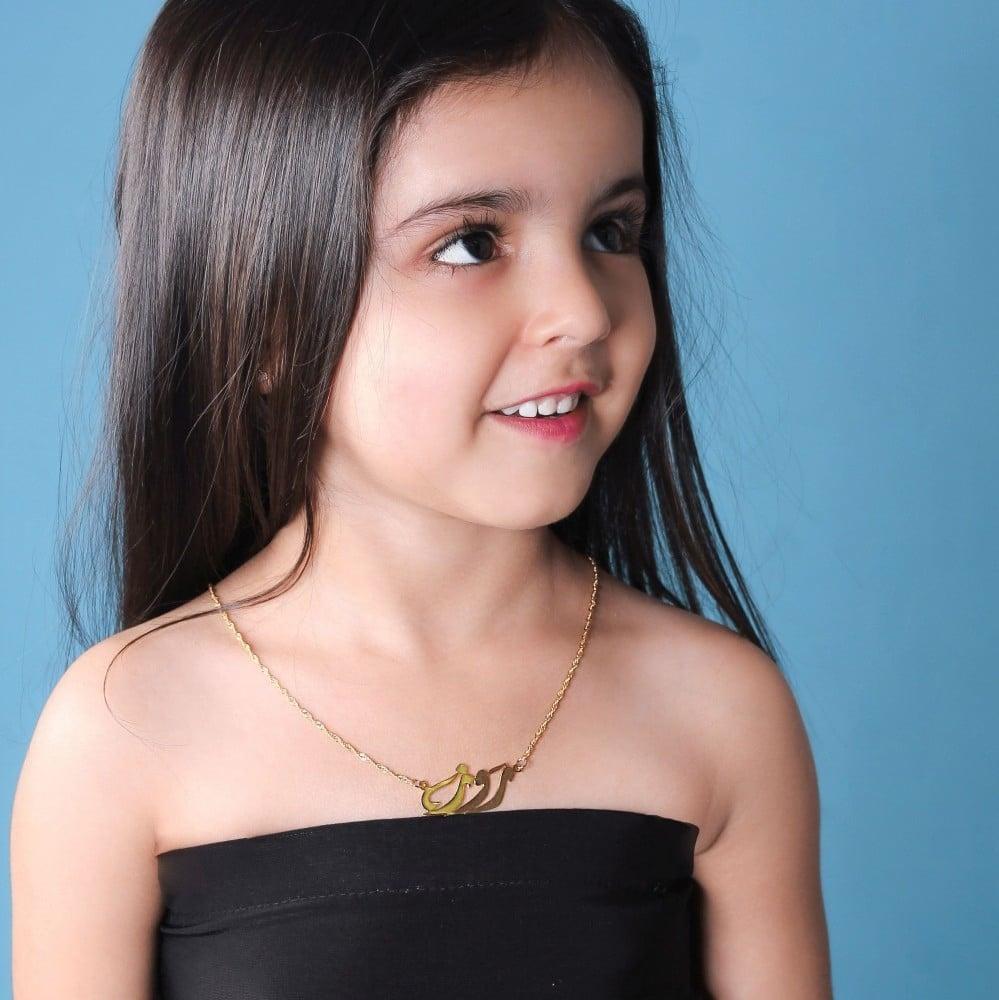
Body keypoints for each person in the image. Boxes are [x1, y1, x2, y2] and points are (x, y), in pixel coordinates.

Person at [10, 1, 832, 996]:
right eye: (472, 244)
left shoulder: (717, 710)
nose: (582, 311)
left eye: (610, 231)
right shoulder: (124, 728)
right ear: (263, 316)